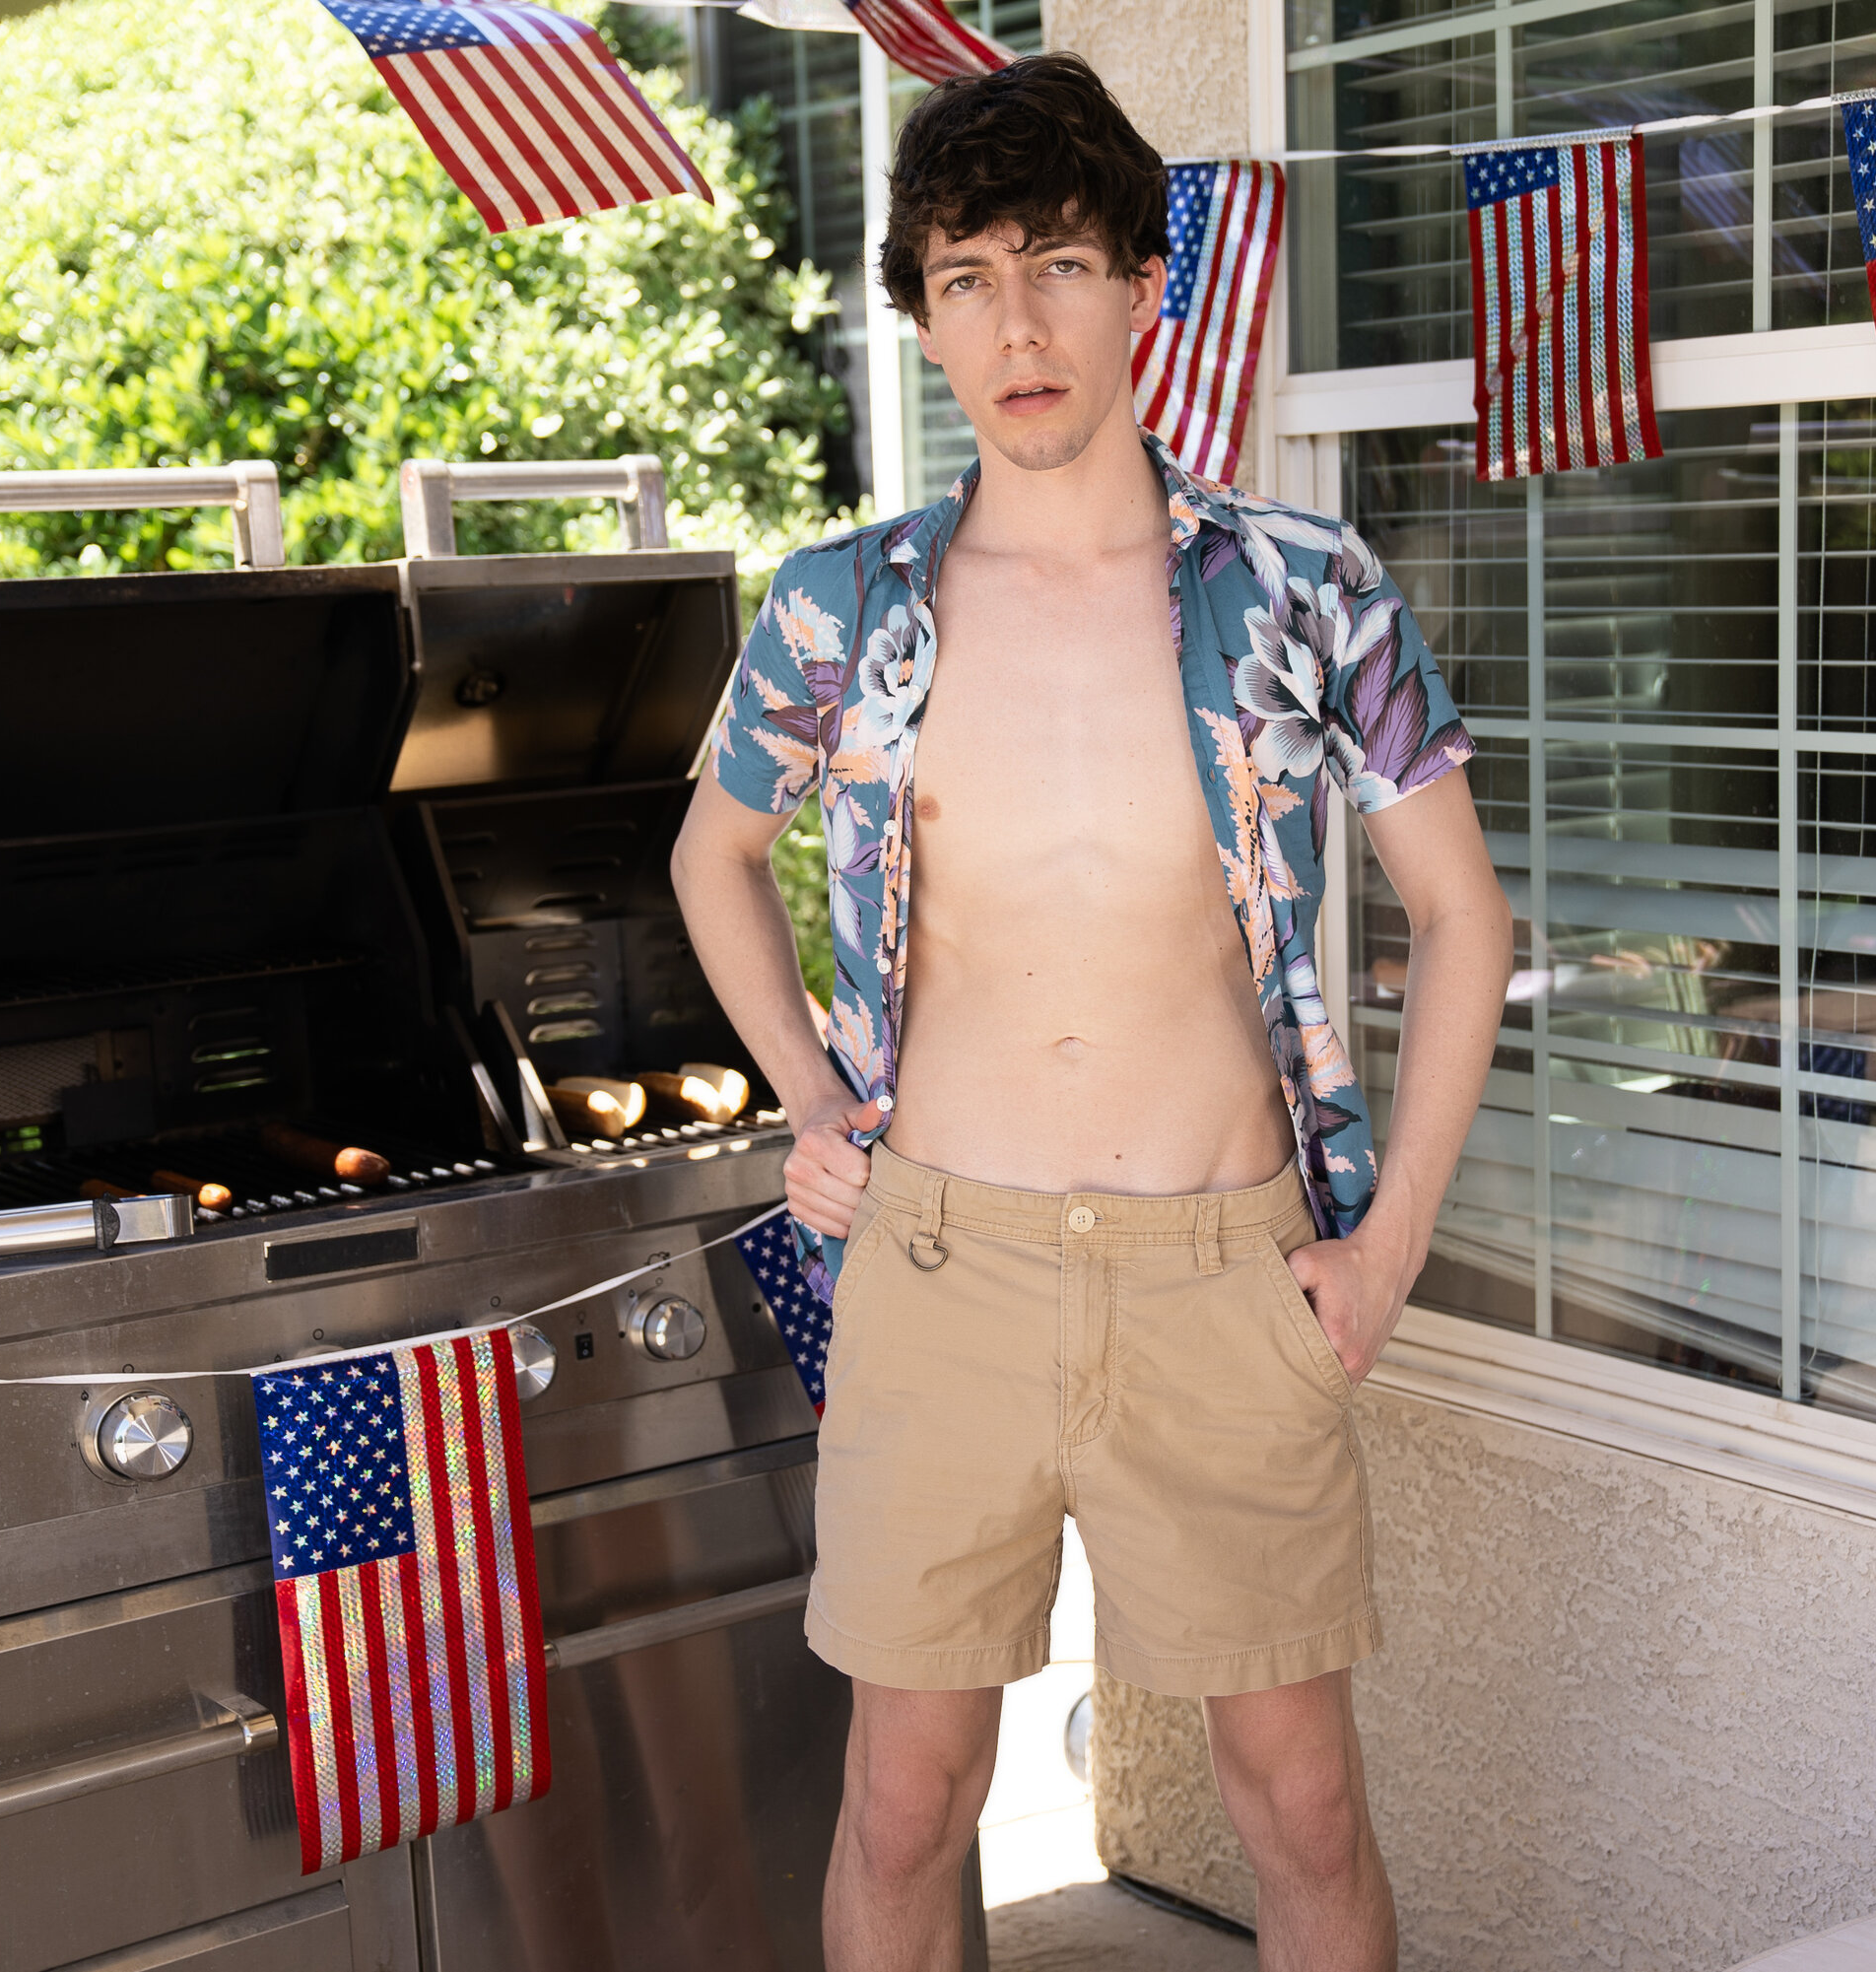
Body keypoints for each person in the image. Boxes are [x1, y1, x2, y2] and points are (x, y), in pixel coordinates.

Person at [671, 52, 1509, 1972]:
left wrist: (1385, 1246)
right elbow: (711, 856)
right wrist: (809, 1095)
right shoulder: (840, 606)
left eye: (1056, 263)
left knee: (1299, 1800)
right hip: (936, 1267)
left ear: (1143, 284)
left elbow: (1463, 916)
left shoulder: (1301, 588)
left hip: (1221, 1270)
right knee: (903, 1798)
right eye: (965, 278)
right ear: (923, 316)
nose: (1017, 325)